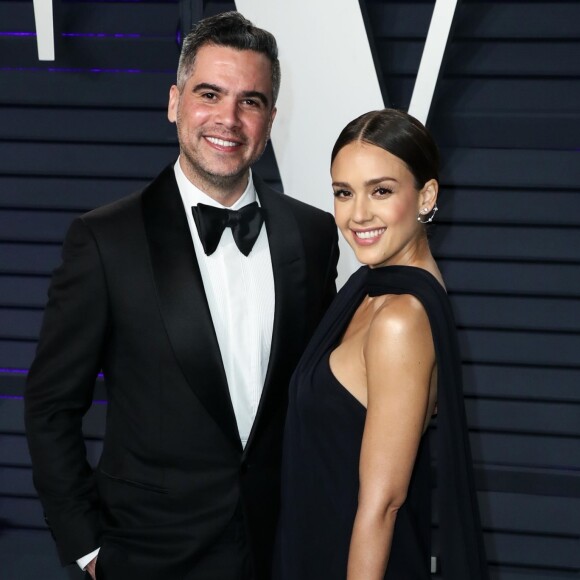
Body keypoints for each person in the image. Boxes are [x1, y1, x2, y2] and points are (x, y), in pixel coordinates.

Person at [24, 11, 338, 580]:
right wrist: (90, 550)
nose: (228, 119)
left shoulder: (314, 237)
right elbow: (50, 407)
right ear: (174, 102)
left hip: (284, 552)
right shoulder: (104, 241)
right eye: (210, 94)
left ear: (271, 119)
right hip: (149, 557)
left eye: (251, 101)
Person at [273, 109, 488, 579]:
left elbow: (383, 504)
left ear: (426, 195)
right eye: (343, 193)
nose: (359, 214)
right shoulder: (373, 289)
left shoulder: (400, 318)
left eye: (382, 190)